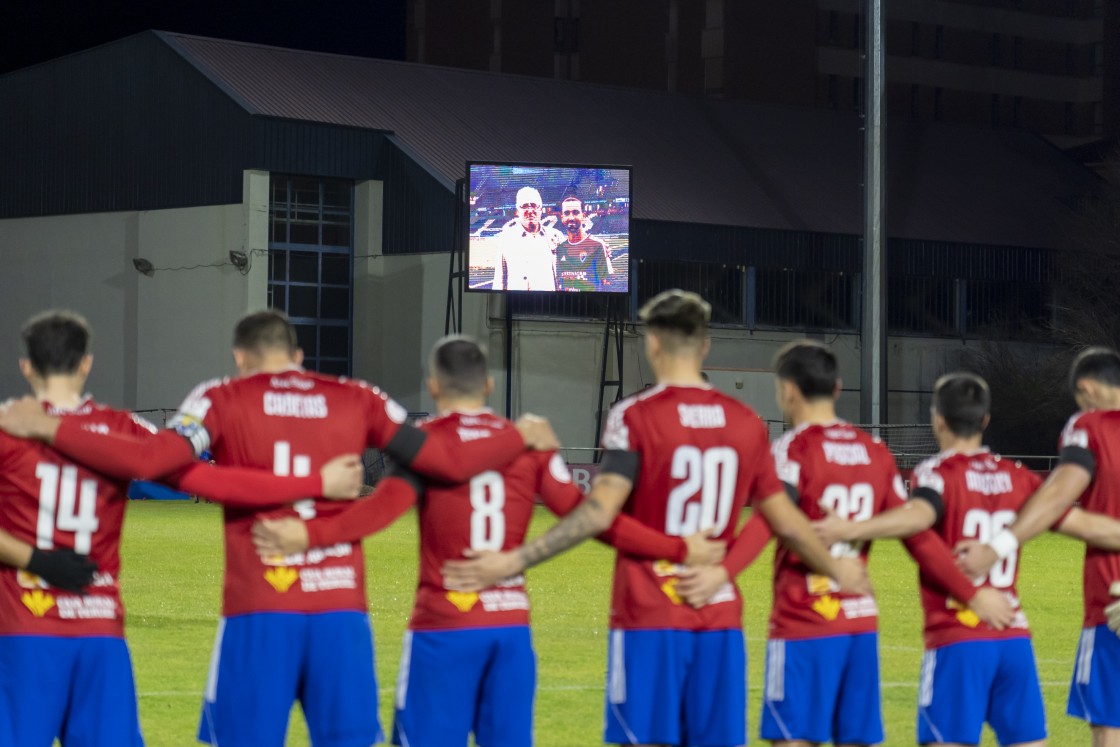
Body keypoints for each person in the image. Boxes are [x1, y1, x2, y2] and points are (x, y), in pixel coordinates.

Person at [0, 310, 557, 747]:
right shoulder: (359, 397)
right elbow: (450, 465)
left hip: (258, 606)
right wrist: (520, 436)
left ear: (239, 357)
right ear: (298, 355)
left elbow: (153, 462)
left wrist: (49, 426)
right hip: (340, 608)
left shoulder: (219, 396)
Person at [252, 334, 727, 747]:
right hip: (510, 631)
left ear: (434, 386)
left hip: (443, 626)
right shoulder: (530, 444)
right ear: (488, 386)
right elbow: (591, 518)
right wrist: (678, 548)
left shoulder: (427, 444)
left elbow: (380, 512)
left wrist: (307, 534)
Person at [442, 290, 869, 747]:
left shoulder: (636, 415)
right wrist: (812, 568)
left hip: (651, 611)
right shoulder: (745, 420)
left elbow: (600, 514)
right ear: (704, 346)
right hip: (718, 612)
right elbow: (780, 519)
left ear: (653, 346)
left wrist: (514, 560)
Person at [0, 310, 367, 747]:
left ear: (26, 366)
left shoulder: (6, 430)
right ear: (86, 364)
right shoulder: (124, 431)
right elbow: (194, 473)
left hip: (23, 626)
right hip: (97, 628)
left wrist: (34, 559)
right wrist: (314, 484)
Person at [759, 345, 1013, 747]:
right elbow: (919, 538)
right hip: (860, 620)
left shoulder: (791, 449)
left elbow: (778, 521)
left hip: (804, 619)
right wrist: (972, 593)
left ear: (788, 390)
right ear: (838, 389)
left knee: (793, 738)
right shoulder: (874, 452)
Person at [957, 348, 1120, 746]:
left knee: (1109, 722)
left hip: (1112, 600)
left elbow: (1059, 493)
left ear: (1086, 388)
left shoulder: (1092, 424)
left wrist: (997, 547)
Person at [491, 186, 563, 291]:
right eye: (524, 206)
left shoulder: (556, 237)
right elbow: (499, 281)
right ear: (517, 211)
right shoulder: (506, 239)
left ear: (540, 209)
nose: (530, 210)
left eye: (534, 206)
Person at [555, 195, 612, 292]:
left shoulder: (597, 245)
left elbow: (606, 283)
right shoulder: (560, 248)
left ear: (583, 215)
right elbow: (561, 283)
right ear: (562, 217)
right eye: (567, 213)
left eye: (576, 212)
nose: (571, 217)